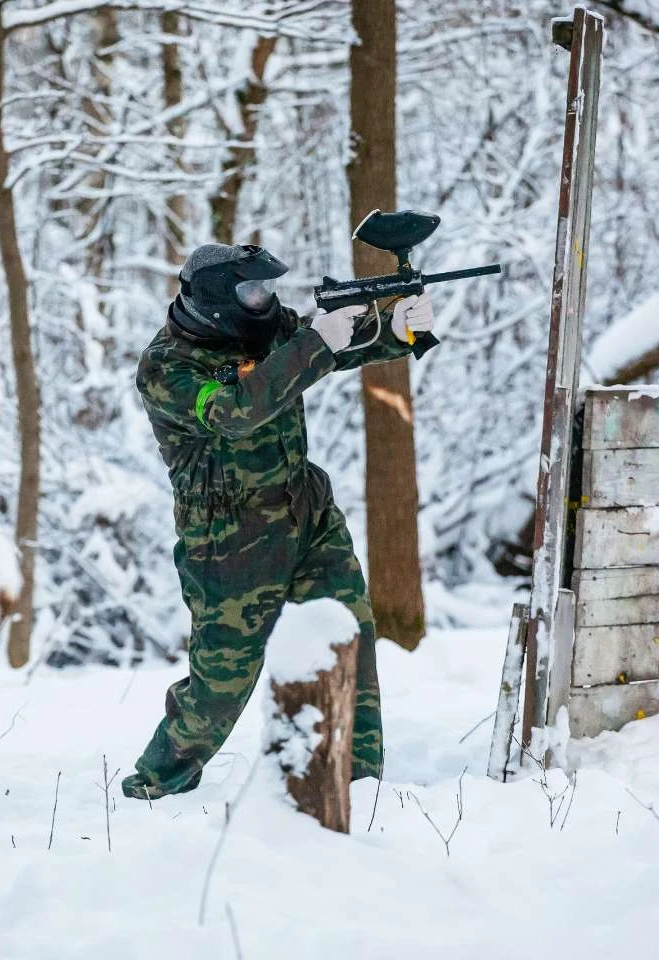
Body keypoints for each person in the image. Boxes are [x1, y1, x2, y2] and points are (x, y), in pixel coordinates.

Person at [120, 241, 437, 800]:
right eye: (251, 290)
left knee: (349, 637)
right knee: (222, 685)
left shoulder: (267, 329)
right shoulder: (167, 367)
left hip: (306, 511)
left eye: (267, 287)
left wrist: (396, 331)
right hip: (229, 540)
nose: (264, 298)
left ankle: (358, 782)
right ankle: (157, 783)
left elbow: (335, 349)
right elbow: (236, 411)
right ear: (215, 298)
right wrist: (315, 342)